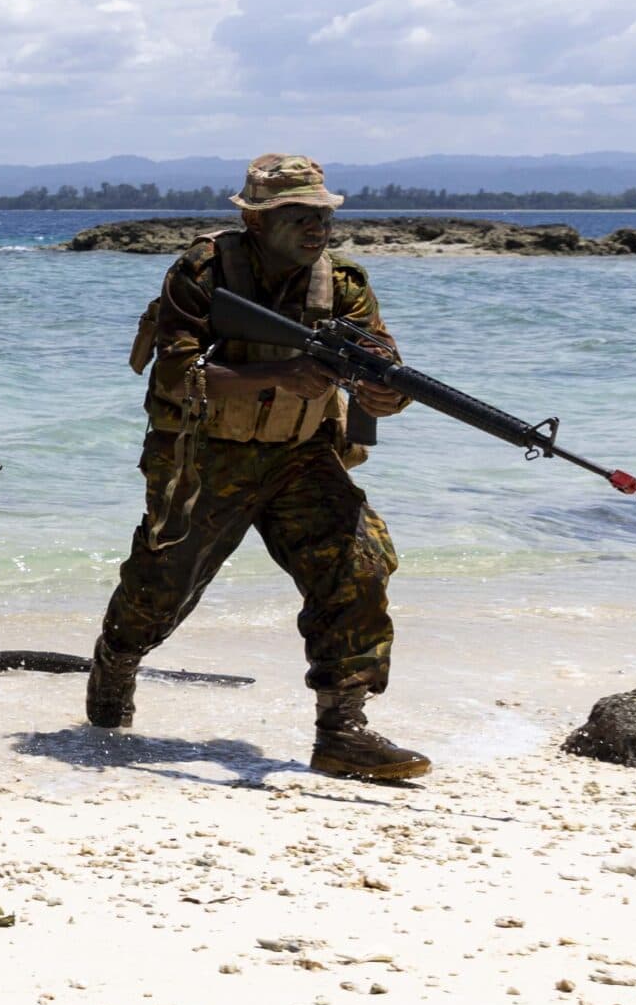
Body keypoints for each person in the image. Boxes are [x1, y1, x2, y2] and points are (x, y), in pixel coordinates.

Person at [84, 153, 427, 783]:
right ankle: (116, 661)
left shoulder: (343, 283)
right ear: (257, 222)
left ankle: (342, 727)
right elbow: (174, 374)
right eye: (297, 216)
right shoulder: (202, 272)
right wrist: (281, 374)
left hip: (302, 455)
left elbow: (384, 370)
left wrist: (384, 395)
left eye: (321, 215)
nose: (315, 228)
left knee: (360, 564)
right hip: (205, 452)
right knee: (160, 589)